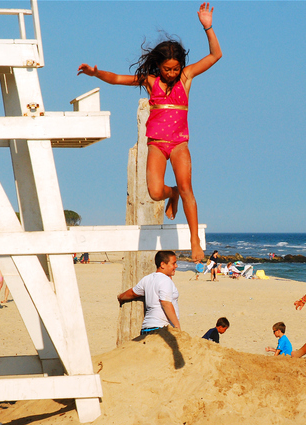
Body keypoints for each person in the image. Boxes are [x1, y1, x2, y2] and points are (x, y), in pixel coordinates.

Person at [77, 3, 222, 263]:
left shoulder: (186, 78)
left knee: (188, 186)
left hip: (179, 144)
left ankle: (194, 242)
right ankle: (172, 193)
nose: (172, 73)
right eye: (167, 69)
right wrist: (96, 73)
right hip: (156, 144)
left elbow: (215, 56)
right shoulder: (150, 81)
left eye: (175, 69)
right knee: (155, 192)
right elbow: (118, 79)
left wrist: (207, 27)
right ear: (159, 66)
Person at [117, 250, 181, 335]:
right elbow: (165, 303)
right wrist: (177, 326)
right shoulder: (165, 280)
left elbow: (132, 293)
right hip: (162, 328)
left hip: (146, 328)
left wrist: (120, 297)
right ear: (162, 265)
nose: (176, 266)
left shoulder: (147, 279)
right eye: (173, 263)